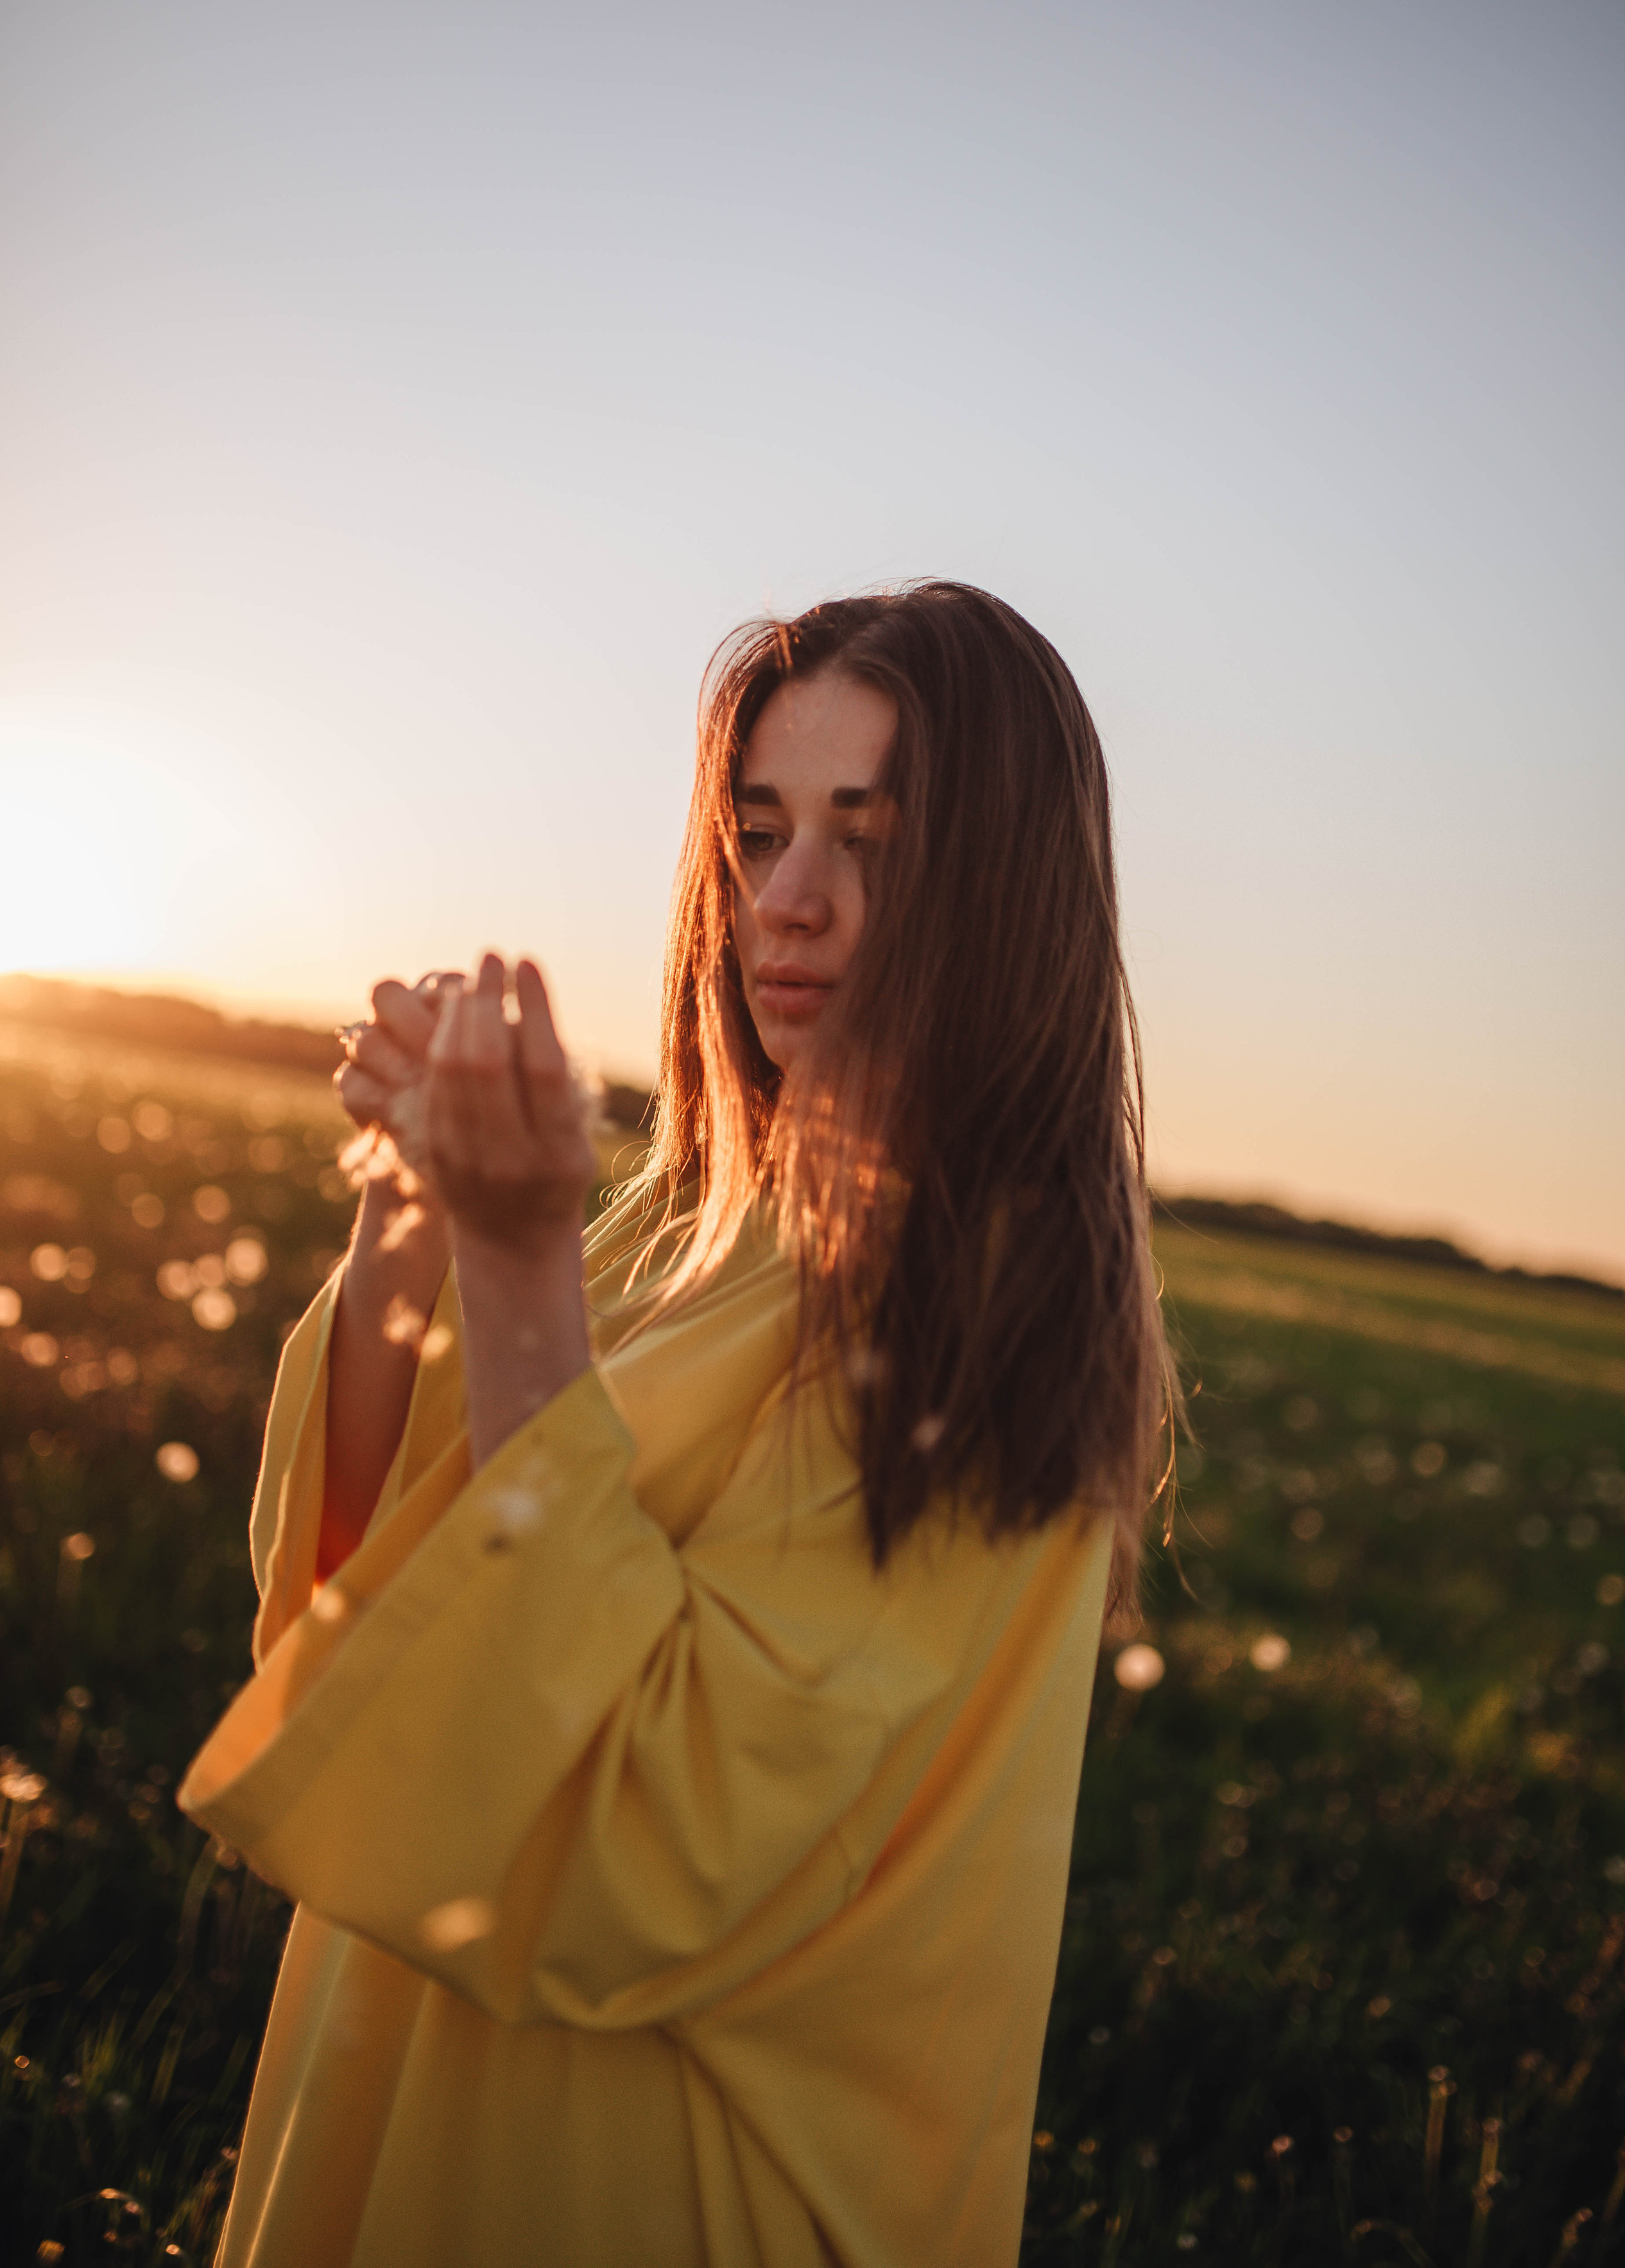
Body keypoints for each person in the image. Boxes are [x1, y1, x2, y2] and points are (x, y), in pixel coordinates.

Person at [179, 580, 1173, 2268]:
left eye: (869, 840)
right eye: (761, 832)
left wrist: (510, 1258)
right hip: (406, 2053)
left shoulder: (987, 1324)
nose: (786, 902)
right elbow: (365, 1610)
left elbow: (663, 1818)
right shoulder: (684, 1226)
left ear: (1002, 892)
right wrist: (416, 1218)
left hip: (639, 2166)